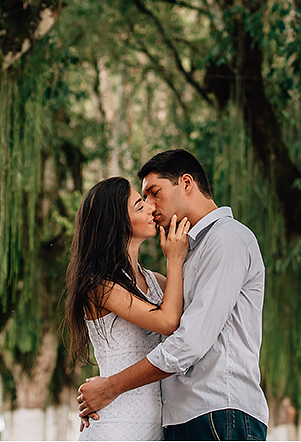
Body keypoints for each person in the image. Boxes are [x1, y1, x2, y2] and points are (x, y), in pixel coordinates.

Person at [78, 149, 269, 441]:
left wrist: (111, 387)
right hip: (176, 419)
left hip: (218, 411)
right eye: (142, 201)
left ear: (186, 183)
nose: (151, 207)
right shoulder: (186, 254)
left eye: (154, 194)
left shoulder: (226, 240)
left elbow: (188, 341)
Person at [66, 176, 191, 441]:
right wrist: (175, 259)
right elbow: (168, 321)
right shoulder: (99, 286)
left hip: (156, 427)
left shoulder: (156, 282)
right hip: (116, 425)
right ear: (117, 223)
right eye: (139, 206)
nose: (150, 208)